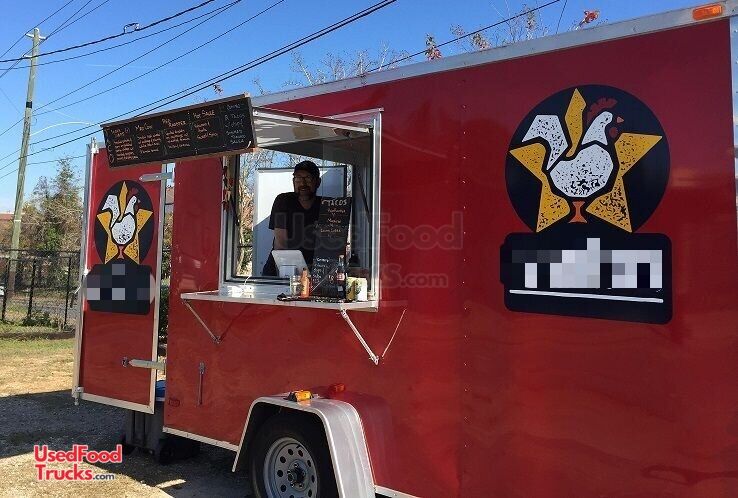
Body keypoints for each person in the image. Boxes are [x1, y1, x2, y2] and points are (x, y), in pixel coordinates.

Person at [262, 160, 322, 276]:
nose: (302, 183)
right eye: (298, 178)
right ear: (293, 181)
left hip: (316, 272)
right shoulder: (283, 201)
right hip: (281, 269)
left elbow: (332, 244)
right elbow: (281, 244)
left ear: (318, 182)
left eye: (308, 178)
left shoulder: (326, 205)